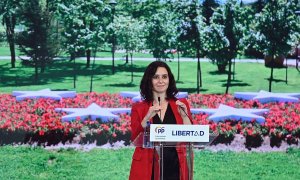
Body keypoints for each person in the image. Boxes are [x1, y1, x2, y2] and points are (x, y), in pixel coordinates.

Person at [129, 61, 192, 180]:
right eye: (156, 77)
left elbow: (190, 136)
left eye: (164, 77)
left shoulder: (181, 104)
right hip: (148, 167)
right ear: (149, 80)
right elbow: (135, 138)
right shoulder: (139, 108)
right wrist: (147, 117)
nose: (161, 81)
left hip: (175, 165)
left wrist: (184, 116)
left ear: (169, 79)